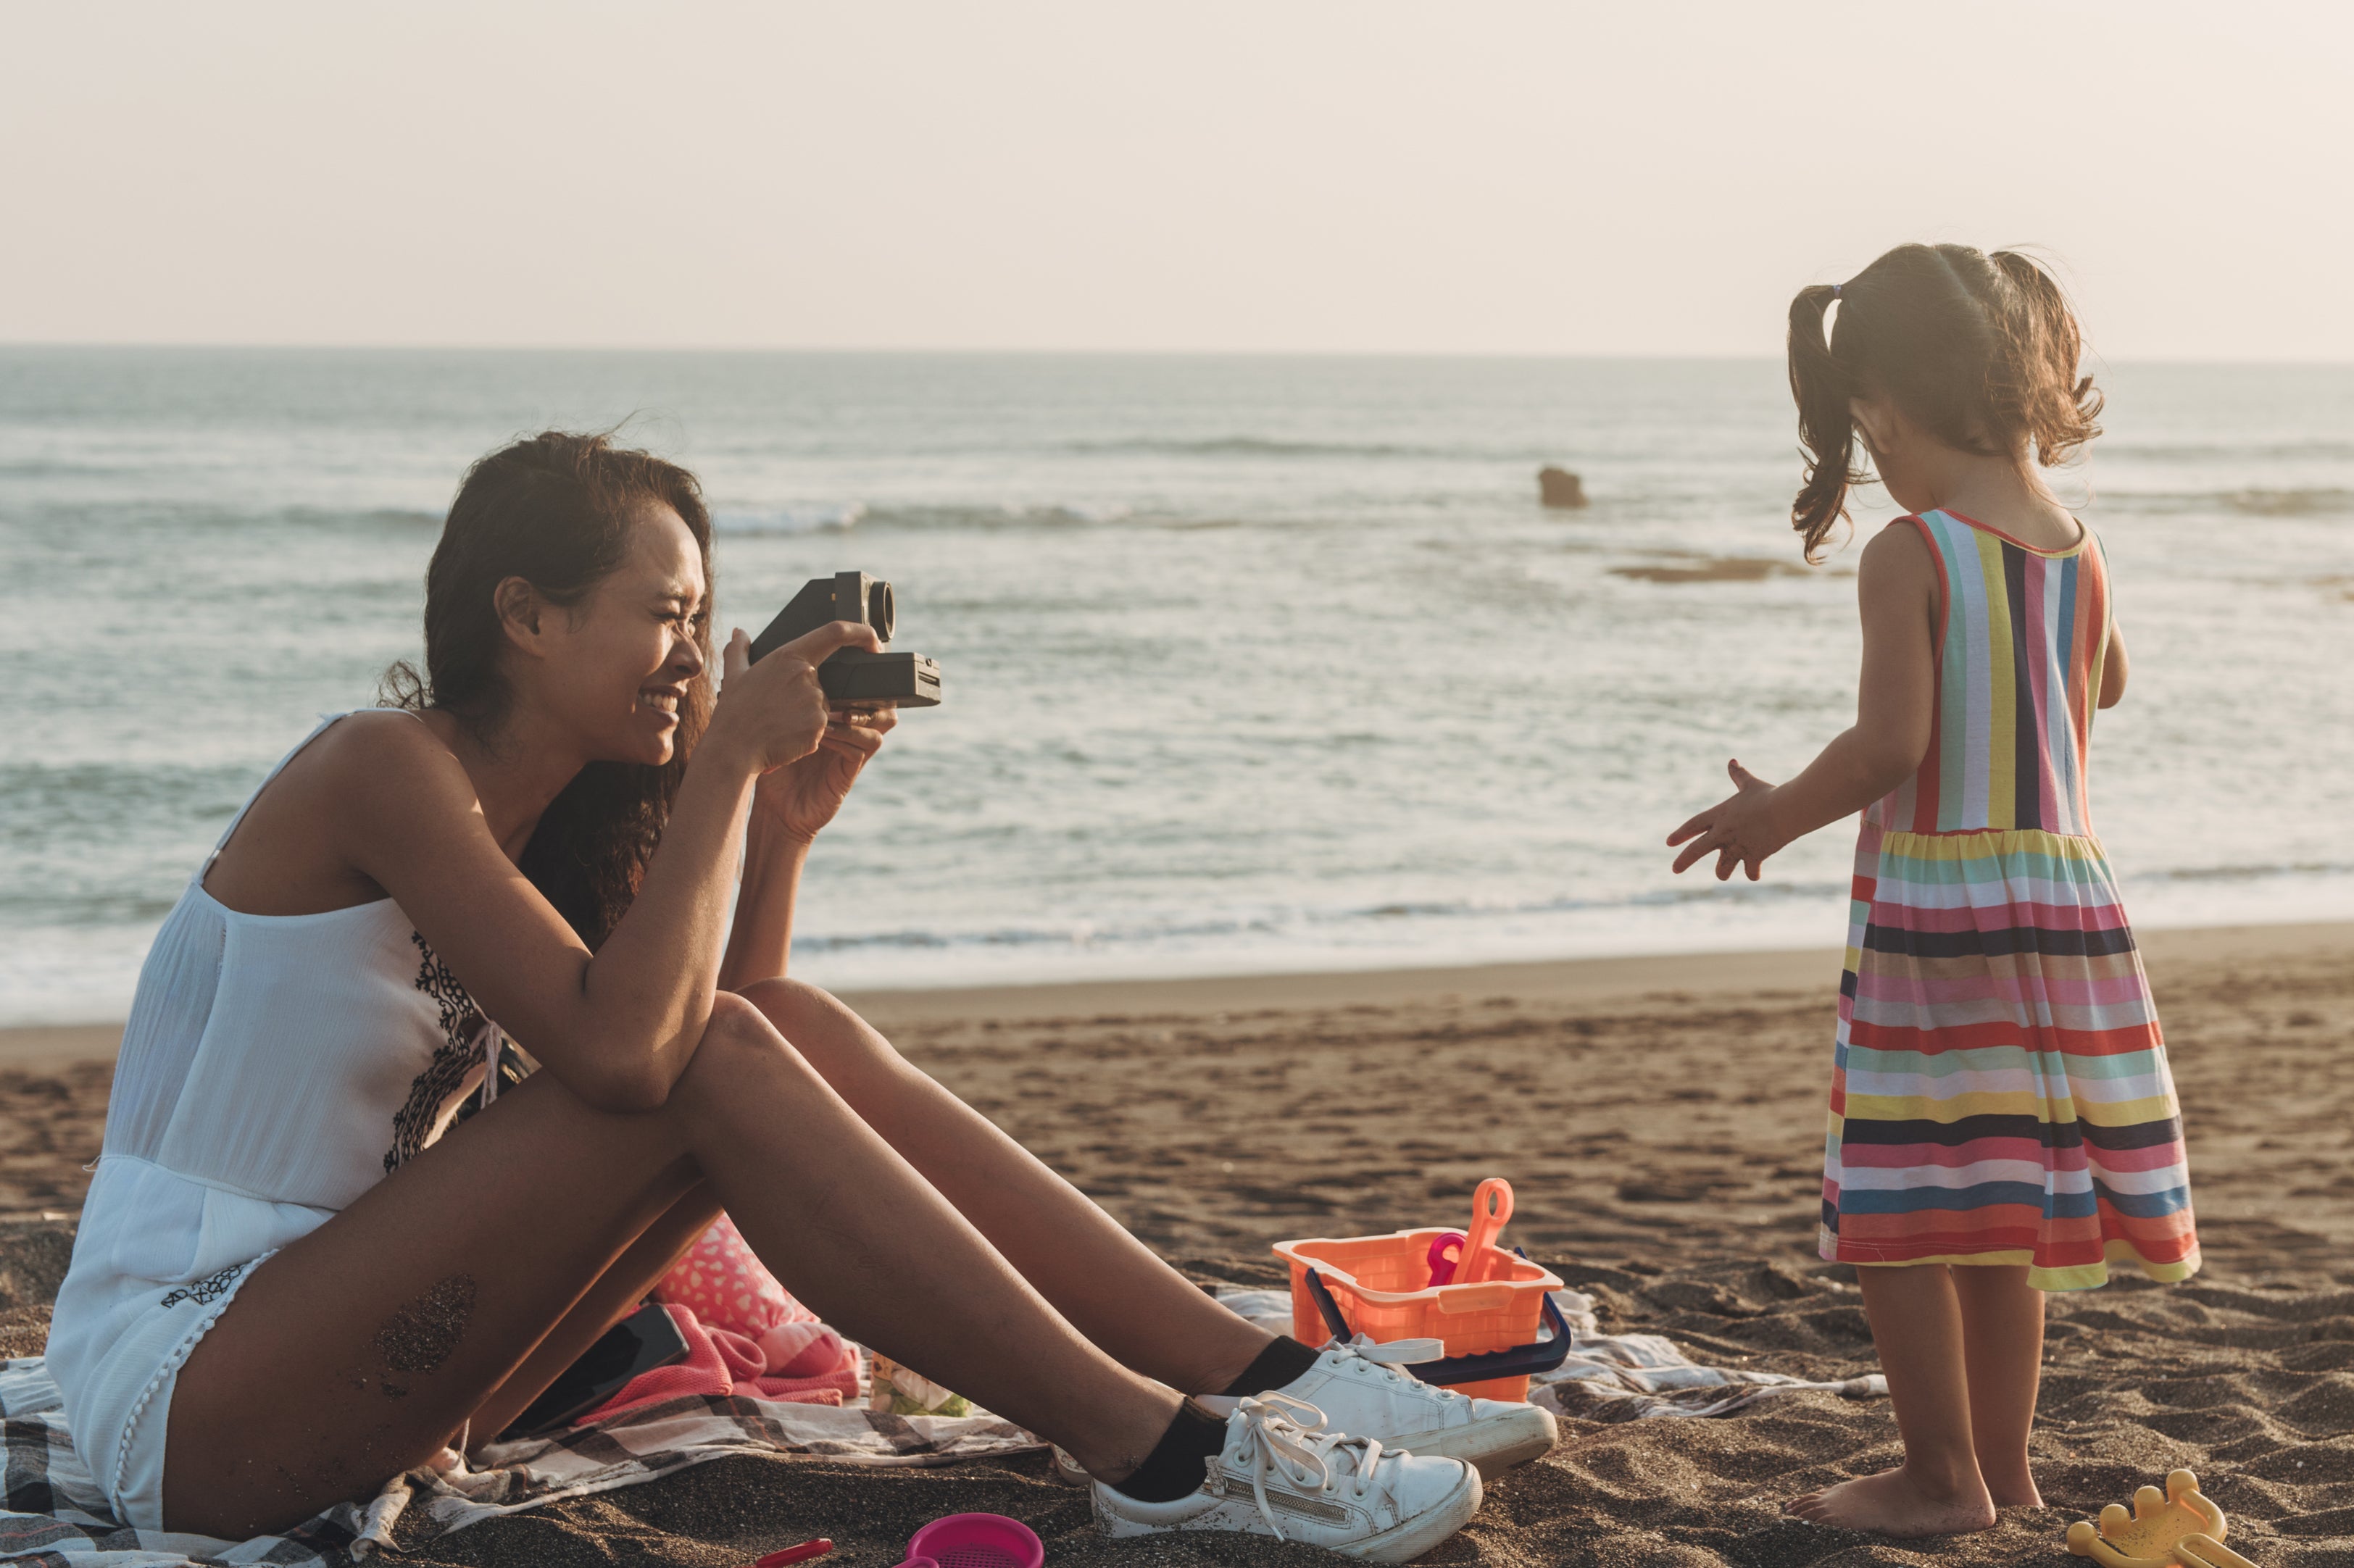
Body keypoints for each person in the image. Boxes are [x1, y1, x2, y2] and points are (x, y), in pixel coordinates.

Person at [46, 432, 1554, 1561]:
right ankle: (1164, 1453)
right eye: (665, 616)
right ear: (525, 613)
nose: (692, 657)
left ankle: (1274, 1376)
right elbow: (641, 1062)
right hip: (190, 1392)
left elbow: (743, 1054)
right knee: (706, 1048)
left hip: (379, 1373)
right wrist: (719, 768)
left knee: (797, 1026)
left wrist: (777, 823)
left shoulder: (535, 837)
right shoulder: (379, 769)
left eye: (703, 622)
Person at [1665, 245, 2198, 1537]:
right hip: (2064, 912)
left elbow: (1891, 746)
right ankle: (2001, 1473)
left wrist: (1774, 813)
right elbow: (2106, 683)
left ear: (1887, 410)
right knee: (2000, 1200)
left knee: (1900, 1200)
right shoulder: (2079, 548)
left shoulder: (1913, 553)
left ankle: (1940, 1477)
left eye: (1864, 432)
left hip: (1943, 913)